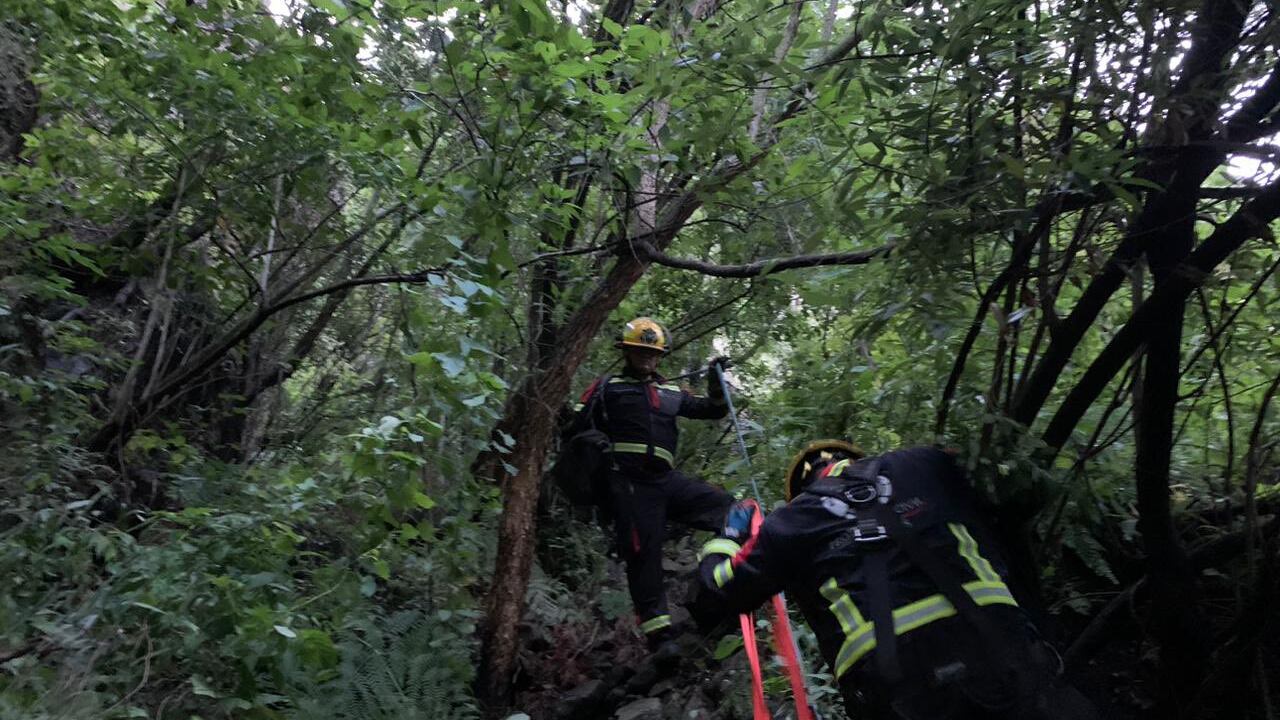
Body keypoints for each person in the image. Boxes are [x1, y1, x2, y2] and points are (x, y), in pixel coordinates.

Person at [693, 441, 1101, 720]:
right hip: (1001, 647)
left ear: (803, 485)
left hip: (897, 685)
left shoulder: (790, 521)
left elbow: (722, 591)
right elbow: (1013, 489)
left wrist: (728, 539)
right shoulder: (926, 463)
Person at [565, 317, 734, 653]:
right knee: (644, 553)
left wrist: (717, 386)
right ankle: (660, 638)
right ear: (627, 352)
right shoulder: (607, 388)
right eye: (639, 351)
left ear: (660, 356)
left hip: (666, 481)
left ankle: (720, 586)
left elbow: (712, 411)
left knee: (730, 510)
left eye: (651, 353)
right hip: (629, 483)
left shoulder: (671, 392)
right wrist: (591, 444)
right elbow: (573, 426)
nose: (646, 358)